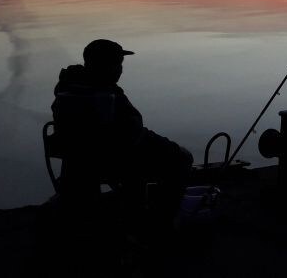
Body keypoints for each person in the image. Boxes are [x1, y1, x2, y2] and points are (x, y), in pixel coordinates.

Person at [52, 39, 193, 229]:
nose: (120, 69)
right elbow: (131, 135)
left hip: (77, 162)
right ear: (106, 65)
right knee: (182, 158)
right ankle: (162, 222)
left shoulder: (67, 88)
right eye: (118, 63)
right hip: (112, 159)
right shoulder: (105, 95)